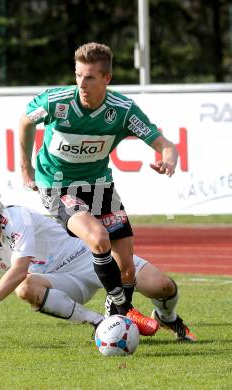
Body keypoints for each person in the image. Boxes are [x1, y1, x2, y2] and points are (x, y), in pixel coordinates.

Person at [19, 42, 178, 335]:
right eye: (78, 75)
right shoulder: (57, 102)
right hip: (58, 185)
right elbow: (26, 122)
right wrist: (25, 168)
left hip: (100, 186)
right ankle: (121, 310)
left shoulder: (122, 111)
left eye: (90, 77)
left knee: (126, 266)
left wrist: (168, 159)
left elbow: (163, 143)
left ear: (107, 78)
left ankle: (117, 315)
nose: (82, 83)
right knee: (98, 238)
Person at [0, 186, 195, 345]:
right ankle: (100, 323)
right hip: (62, 284)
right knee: (25, 289)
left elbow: (18, 269)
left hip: (87, 258)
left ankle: (168, 318)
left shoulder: (16, 217)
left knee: (163, 286)